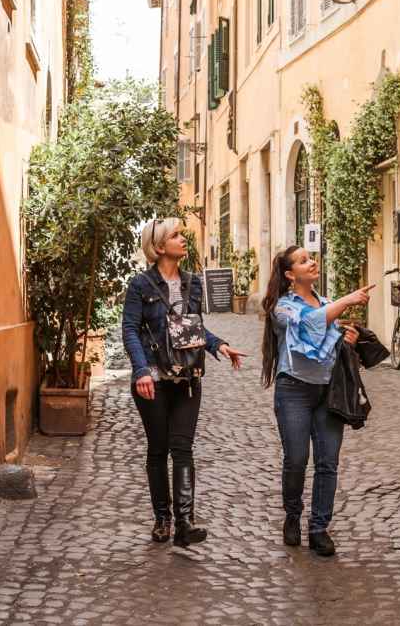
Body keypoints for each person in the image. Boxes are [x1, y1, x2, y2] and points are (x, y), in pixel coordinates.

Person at [121, 217, 247, 546]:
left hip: (188, 377)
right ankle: (162, 517)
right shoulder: (141, 285)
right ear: (160, 247)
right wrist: (140, 370)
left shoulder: (193, 282)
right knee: (158, 449)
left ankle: (185, 522)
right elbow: (130, 330)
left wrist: (218, 344)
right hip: (155, 378)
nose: (183, 239)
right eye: (176, 236)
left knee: (183, 447)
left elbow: (191, 328)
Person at [259, 245, 373, 556]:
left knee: (328, 463)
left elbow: (328, 334)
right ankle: (293, 515)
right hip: (293, 391)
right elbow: (310, 323)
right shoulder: (281, 307)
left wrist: (347, 339)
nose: (312, 262)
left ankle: (319, 527)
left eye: (311, 258)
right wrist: (347, 300)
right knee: (296, 460)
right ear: (289, 274)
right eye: (303, 260)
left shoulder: (326, 304)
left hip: (327, 392)